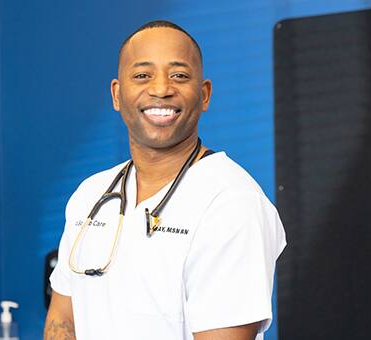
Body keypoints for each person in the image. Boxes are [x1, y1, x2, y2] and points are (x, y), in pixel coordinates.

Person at [44, 20, 286, 340]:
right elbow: (63, 320)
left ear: (204, 95)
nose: (161, 89)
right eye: (143, 75)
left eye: (179, 76)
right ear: (117, 95)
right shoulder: (90, 195)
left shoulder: (231, 203)